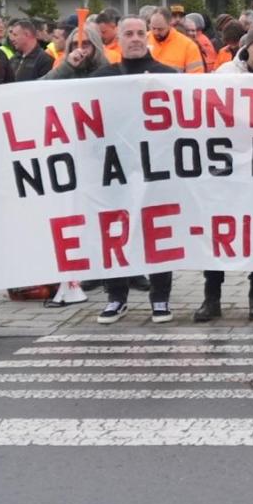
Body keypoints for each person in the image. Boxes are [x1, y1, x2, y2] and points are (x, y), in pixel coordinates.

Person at [84, 17, 180, 324]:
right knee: (117, 231)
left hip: (156, 167)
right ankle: (116, 297)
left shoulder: (169, 76)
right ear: (119, 40)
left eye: (141, 33)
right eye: (129, 33)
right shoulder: (102, 77)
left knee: (158, 231)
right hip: (115, 169)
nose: (136, 38)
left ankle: (161, 298)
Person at [147, 7, 206, 74]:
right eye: (153, 28)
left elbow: (196, 77)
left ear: (169, 25)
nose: (156, 32)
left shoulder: (188, 46)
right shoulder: (144, 40)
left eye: (160, 29)